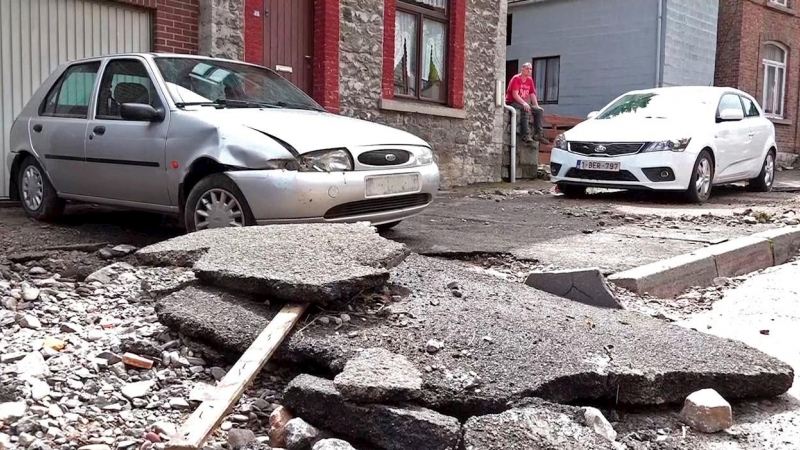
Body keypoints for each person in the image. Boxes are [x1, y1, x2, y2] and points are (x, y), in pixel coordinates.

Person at [505, 63, 550, 145]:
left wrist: (536, 106)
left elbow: (532, 94)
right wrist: (524, 103)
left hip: (522, 102)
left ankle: (538, 134)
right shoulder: (516, 78)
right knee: (525, 108)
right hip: (511, 102)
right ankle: (525, 134)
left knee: (539, 111)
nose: (529, 70)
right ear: (522, 69)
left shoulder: (529, 80)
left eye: (530, 69)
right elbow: (515, 95)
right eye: (527, 68)